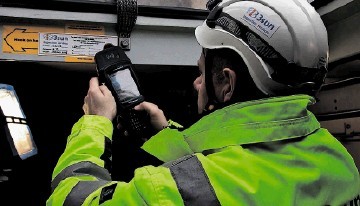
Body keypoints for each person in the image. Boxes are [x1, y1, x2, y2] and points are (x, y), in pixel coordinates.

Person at [47, 0, 360, 205]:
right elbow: (243, 158)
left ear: (226, 82)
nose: (197, 82)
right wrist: (161, 136)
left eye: (201, 73)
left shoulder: (174, 193)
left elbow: (70, 197)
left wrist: (94, 123)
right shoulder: (338, 161)